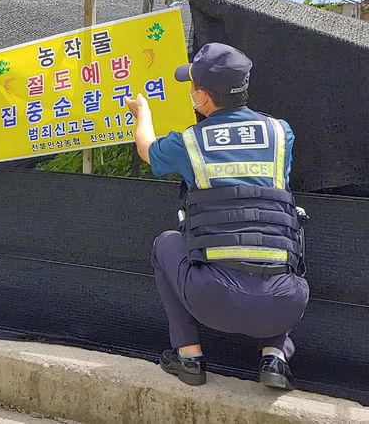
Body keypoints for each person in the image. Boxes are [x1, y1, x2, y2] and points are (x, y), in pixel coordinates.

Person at [125, 42, 309, 390]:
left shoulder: (190, 143)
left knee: (166, 242)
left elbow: (147, 149)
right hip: (285, 303)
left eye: (192, 86)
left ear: (203, 97)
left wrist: (142, 113)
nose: (191, 91)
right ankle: (275, 356)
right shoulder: (280, 133)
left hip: (214, 300)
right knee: (286, 234)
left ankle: (189, 356)